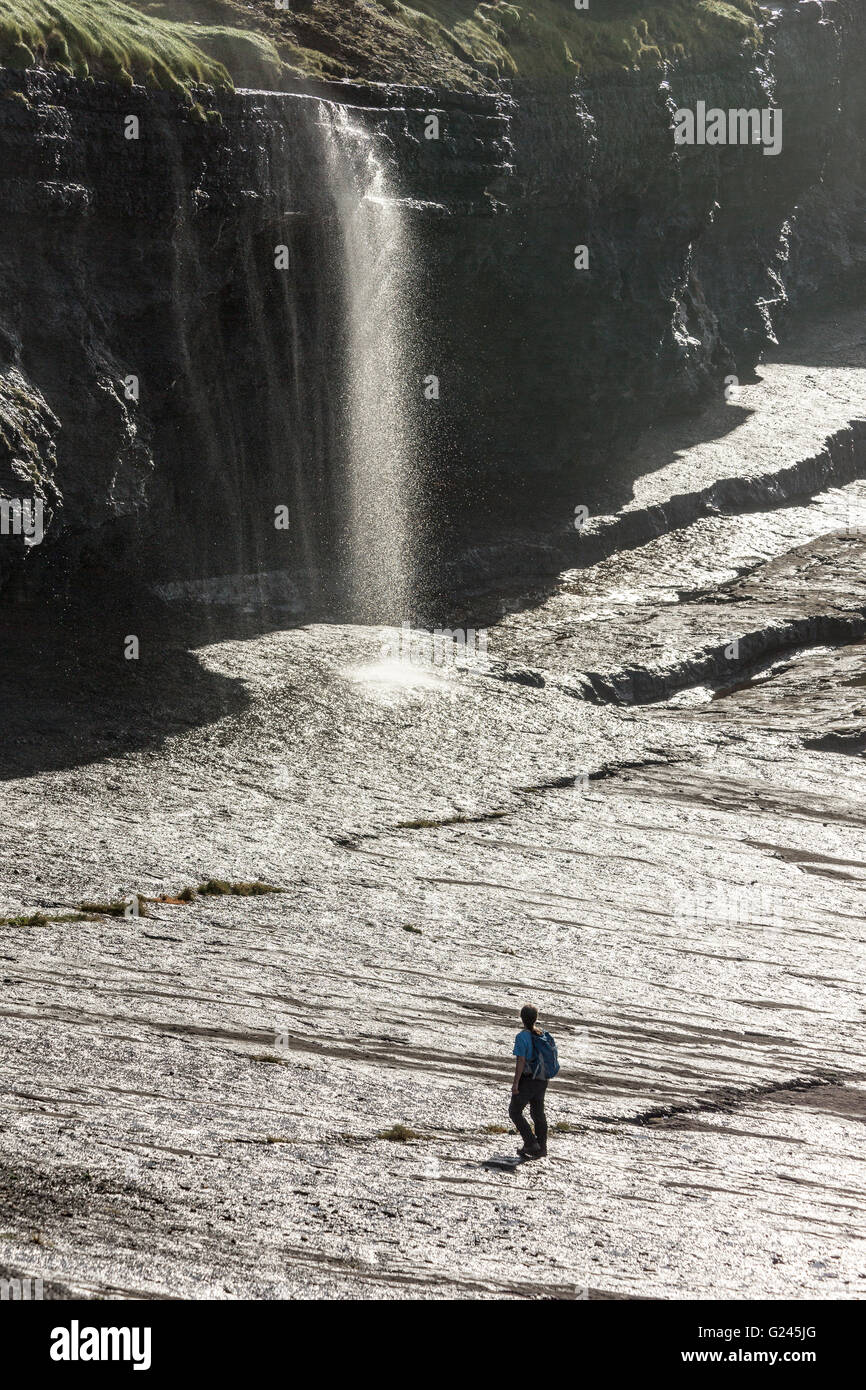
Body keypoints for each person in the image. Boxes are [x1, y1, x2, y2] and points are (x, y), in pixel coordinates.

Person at [508, 1003, 549, 1158]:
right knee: (538, 1113)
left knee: (514, 1111)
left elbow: (521, 1061)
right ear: (535, 1018)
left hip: (528, 1080)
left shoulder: (522, 1037)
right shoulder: (543, 1035)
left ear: (522, 1018)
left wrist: (515, 1083)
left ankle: (531, 1142)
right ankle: (542, 1147)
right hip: (542, 1079)